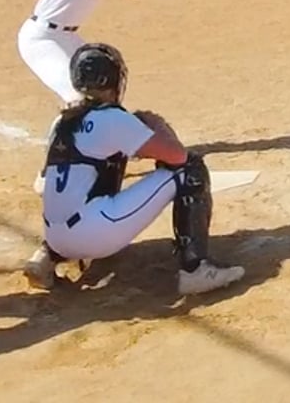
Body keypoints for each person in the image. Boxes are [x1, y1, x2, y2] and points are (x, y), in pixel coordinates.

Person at [22, 43, 246, 296]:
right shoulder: (112, 118)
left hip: (56, 237)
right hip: (93, 235)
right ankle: (196, 270)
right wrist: (155, 123)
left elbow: (44, 184)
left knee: (83, 184)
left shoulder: (61, 121)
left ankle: (46, 258)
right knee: (189, 169)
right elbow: (177, 155)